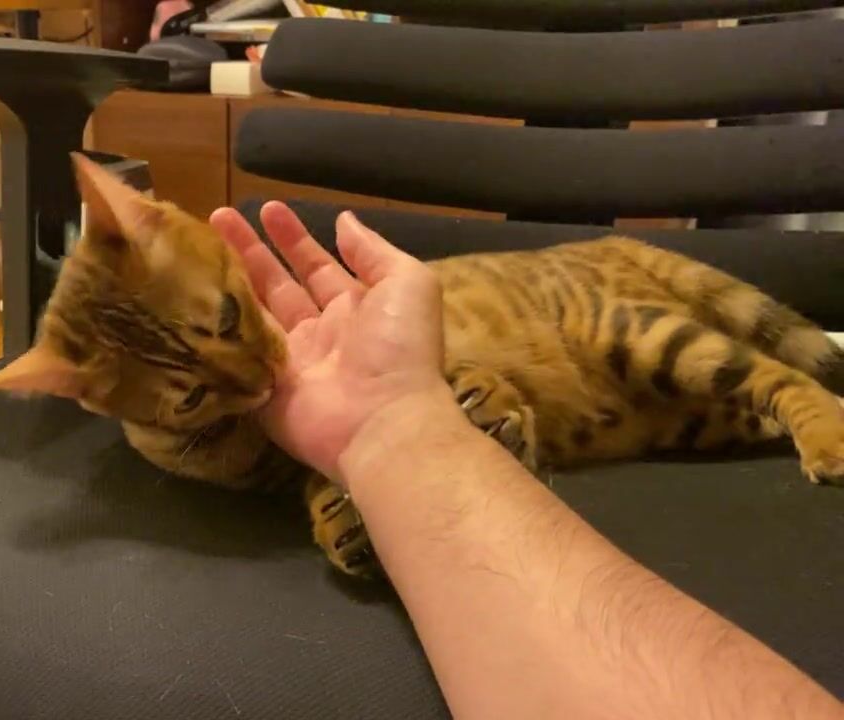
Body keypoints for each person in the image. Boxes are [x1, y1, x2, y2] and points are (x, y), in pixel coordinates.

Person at [208, 201, 844, 720]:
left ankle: (795, 394)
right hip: (606, 426)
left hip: (551, 306)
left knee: (649, 345)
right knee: (689, 417)